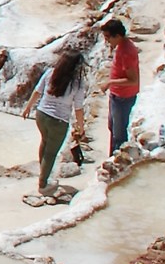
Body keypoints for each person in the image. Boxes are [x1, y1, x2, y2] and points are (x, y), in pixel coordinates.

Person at [22, 46, 91, 199]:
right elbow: (78, 108)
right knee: (51, 152)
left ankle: (43, 175)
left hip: (41, 115)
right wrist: (81, 127)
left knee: (44, 143)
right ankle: (43, 185)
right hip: (59, 121)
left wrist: (28, 108)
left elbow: (37, 91)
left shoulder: (50, 73)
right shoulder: (77, 83)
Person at [102, 18, 140, 152]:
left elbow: (133, 80)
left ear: (117, 36)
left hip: (123, 97)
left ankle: (116, 161)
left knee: (119, 134)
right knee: (112, 127)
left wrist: (110, 82)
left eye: (108, 37)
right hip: (117, 95)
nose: (106, 41)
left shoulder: (126, 52)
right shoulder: (121, 46)